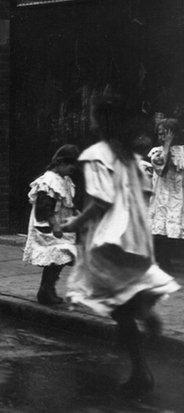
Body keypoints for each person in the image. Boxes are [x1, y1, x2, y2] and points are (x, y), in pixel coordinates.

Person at [62, 92, 180, 397]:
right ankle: (142, 312)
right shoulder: (130, 157)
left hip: (110, 238)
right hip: (135, 236)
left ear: (99, 120)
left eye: (91, 114)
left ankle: (140, 367)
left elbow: (100, 201)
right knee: (122, 295)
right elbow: (145, 192)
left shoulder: (97, 155)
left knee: (116, 302)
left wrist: (74, 223)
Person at [22, 144, 80, 305]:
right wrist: (54, 225)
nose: (71, 169)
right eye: (69, 165)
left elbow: (67, 201)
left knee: (60, 258)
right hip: (48, 226)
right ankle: (46, 290)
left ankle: (48, 288)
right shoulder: (48, 181)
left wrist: (76, 213)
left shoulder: (65, 180)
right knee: (57, 255)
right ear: (59, 163)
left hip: (61, 225)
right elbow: (44, 207)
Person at [149, 118, 184, 243]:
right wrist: (167, 145)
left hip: (178, 193)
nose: (162, 137)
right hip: (162, 193)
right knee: (161, 225)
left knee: (177, 222)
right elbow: (161, 169)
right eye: (160, 133)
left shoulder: (182, 151)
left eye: (166, 133)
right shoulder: (157, 151)